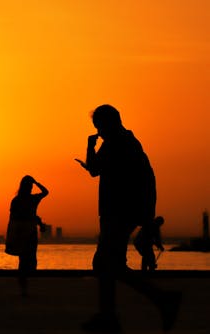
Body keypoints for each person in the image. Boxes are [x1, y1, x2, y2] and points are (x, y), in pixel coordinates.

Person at [76, 104, 181, 332]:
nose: (98, 132)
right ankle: (108, 317)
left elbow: (94, 170)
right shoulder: (125, 142)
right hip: (121, 212)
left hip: (119, 213)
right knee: (108, 263)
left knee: (105, 263)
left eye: (99, 127)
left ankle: (160, 299)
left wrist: (89, 146)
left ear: (108, 123)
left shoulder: (118, 143)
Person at [5, 175, 49, 296]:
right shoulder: (20, 200)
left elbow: (45, 193)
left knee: (29, 259)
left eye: (31, 186)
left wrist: (36, 182)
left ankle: (24, 284)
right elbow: (13, 219)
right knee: (25, 259)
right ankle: (23, 286)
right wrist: (36, 182)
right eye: (29, 186)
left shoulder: (29, 199)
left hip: (30, 232)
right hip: (22, 233)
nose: (30, 188)